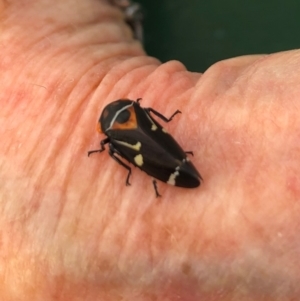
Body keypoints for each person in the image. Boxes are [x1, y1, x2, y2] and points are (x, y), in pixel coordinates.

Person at [1, 0, 300, 300]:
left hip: (153, 157)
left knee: (124, 149)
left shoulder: (110, 140)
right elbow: (148, 120)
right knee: (153, 137)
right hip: (166, 149)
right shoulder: (133, 110)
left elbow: (116, 151)